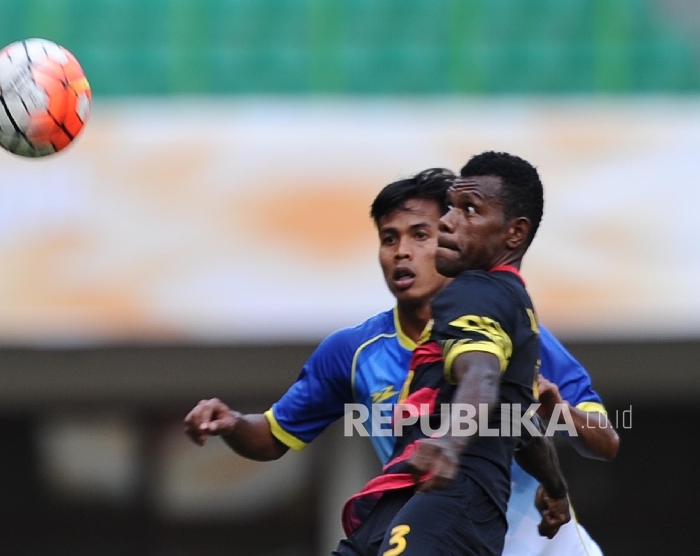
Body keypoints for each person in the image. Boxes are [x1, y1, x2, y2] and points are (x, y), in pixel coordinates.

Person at [184, 164, 618, 555]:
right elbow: (274, 437)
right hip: (423, 528)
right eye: (389, 238)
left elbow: (603, 442)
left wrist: (557, 413)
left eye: (420, 235)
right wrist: (233, 423)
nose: (401, 252)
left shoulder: (518, 331)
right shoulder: (353, 351)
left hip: (532, 542)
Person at [364, 151, 571, 555]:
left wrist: (449, 442)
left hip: (451, 500)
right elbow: (519, 426)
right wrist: (556, 487)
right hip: (409, 502)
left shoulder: (474, 292)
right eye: (452, 208)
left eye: (469, 210)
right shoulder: (509, 306)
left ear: (514, 234)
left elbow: (481, 376)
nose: (446, 221)